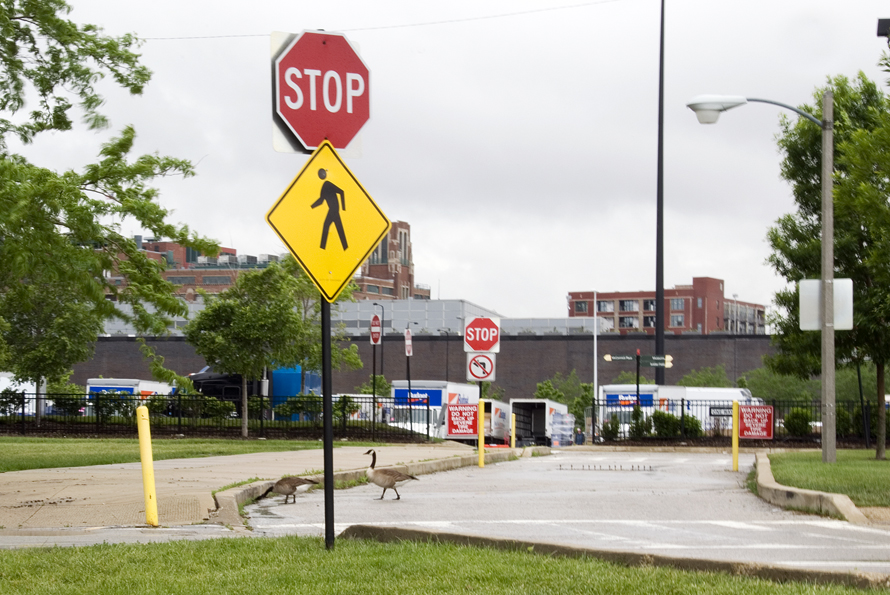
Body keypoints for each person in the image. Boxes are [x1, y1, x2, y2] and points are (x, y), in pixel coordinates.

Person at [311, 168, 347, 250]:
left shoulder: (327, 184)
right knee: (339, 228)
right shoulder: (323, 187)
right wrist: (311, 207)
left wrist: (343, 208)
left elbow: (341, 192)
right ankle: (345, 247)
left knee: (327, 226)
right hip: (333, 209)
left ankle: (322, 248)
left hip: (334, 209)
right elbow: (321, 201)